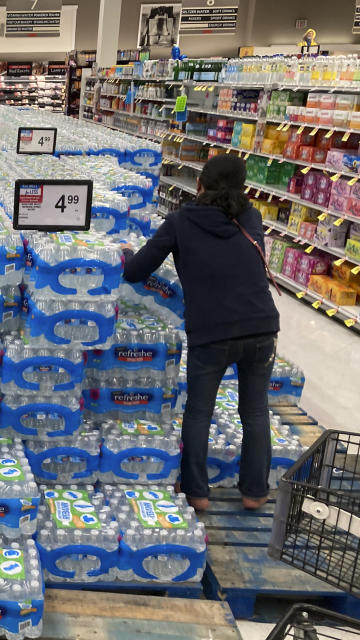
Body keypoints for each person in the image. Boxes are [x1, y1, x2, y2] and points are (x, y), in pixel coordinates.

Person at [121, 154, 280, 512]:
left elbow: (135, 272)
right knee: (255, 412)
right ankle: (255, 492)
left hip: (212, 332)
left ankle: (197, 492)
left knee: (199, 411)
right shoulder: (251, 217)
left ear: (199, 185)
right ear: (244, 189)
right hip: (262, 327)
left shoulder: (180, 221)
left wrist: (127, 253)